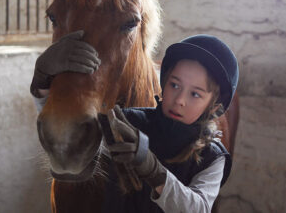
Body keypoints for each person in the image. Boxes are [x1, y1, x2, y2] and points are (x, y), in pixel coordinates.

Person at [30, 33, 239, 213]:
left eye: (195, 94)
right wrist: (42, 83)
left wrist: (153, 170)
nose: (180, 100)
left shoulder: (214, 158)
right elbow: (71, 137)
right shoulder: (128, 121)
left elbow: (198, 209)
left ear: (214, 106)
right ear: (164, 82)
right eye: (174, 85)